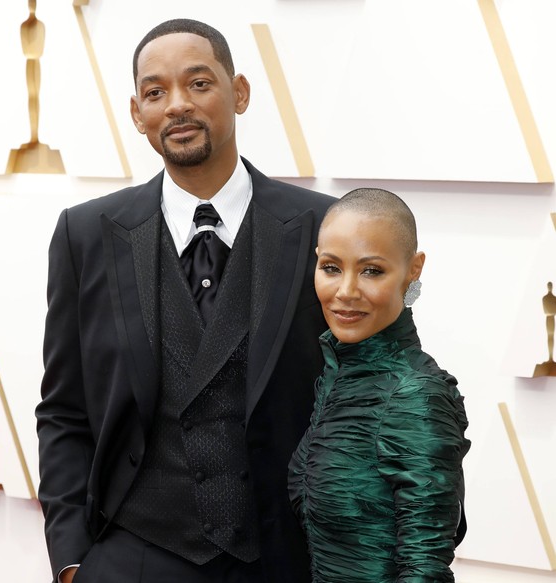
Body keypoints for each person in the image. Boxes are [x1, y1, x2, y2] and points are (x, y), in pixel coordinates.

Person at [36, 18, 333, 583]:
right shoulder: (84, 234)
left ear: (238, 92)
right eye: (156, 92)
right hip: (135, 556)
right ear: (136, 112)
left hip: (285, 559)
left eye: (198, 84)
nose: (176, 105)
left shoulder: (321, 226)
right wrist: (73, 560)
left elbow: (374, 387)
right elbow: (63, 411)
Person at [288, 188, 470, 582]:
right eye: (331, 268)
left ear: (413, 269)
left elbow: (424, 567)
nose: (346, 292)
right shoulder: (337, 376)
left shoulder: (414, 394)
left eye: (371, 270)